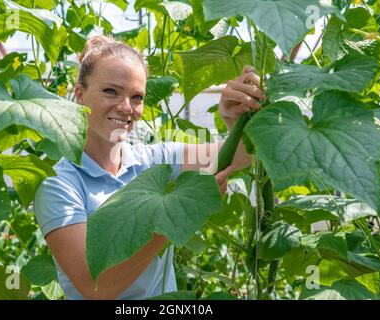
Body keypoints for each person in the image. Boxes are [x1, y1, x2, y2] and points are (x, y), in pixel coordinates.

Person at [33, 35, 265, 300]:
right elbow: (96, 287)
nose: (126, 107)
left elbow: (241, 155)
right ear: (80, 94)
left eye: (137, 97)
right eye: (111, 91)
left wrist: (233, 120)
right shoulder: (58, 184)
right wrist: (179, 216)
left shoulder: (156, 160)